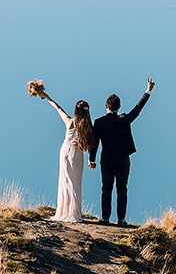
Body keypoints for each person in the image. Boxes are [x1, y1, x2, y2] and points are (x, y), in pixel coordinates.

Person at [89, 78, 155, 226]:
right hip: (123, 160)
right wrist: (148, 91)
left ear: (106, 106)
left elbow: (95, 143)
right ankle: (121, 219)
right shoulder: (124, 119)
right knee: (122, 189)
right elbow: (138, 108)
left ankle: (105, 218)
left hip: (106, 160)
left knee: (106, 189)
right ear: (119, 107)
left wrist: (91, 159)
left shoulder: (99, 122)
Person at [29, 83, 94, 225]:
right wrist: (91, 159)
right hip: (77, 154)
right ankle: (74, 213)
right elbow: (90, 145)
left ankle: (63, 211)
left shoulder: (70, 122)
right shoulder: (88, 127)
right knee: (75, 182)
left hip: (65, 151)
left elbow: (58, 108)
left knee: (65, 181)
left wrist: (46, 97)